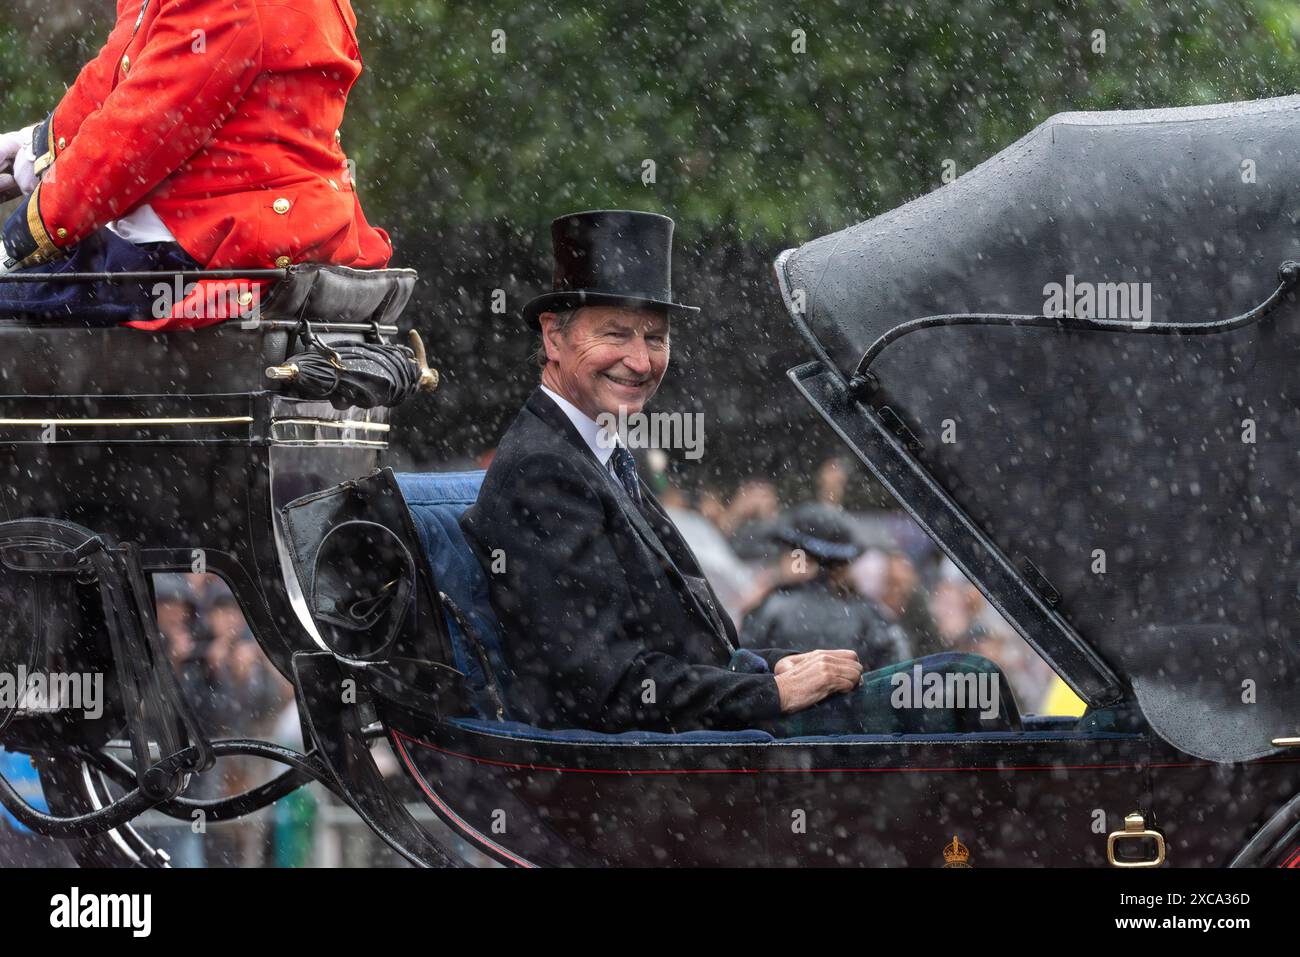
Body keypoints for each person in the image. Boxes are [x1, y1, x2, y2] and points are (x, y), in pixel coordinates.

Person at [461, 209, 1017, 736]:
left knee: (958, 682)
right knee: (967, 685)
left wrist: (773, 669)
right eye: (615, 333)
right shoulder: (545, 468)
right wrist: (771, 693)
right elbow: (603, 690)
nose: (640, 360)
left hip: (703, 733)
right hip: (658, 762)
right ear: (553, 337)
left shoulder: (594, 452)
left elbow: (683, 651)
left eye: (655, 337)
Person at [0, 0, 392, 328]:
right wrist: (37, 146)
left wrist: (16, 241)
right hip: (248, 235)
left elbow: (140, 133)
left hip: (203, 252)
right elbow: (127, 66)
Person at [741, 505, 910, 671]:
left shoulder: (771, 609)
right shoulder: (873, 617)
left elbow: (742, 675)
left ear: (802, 559)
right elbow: (898, 679)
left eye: (786, 551)